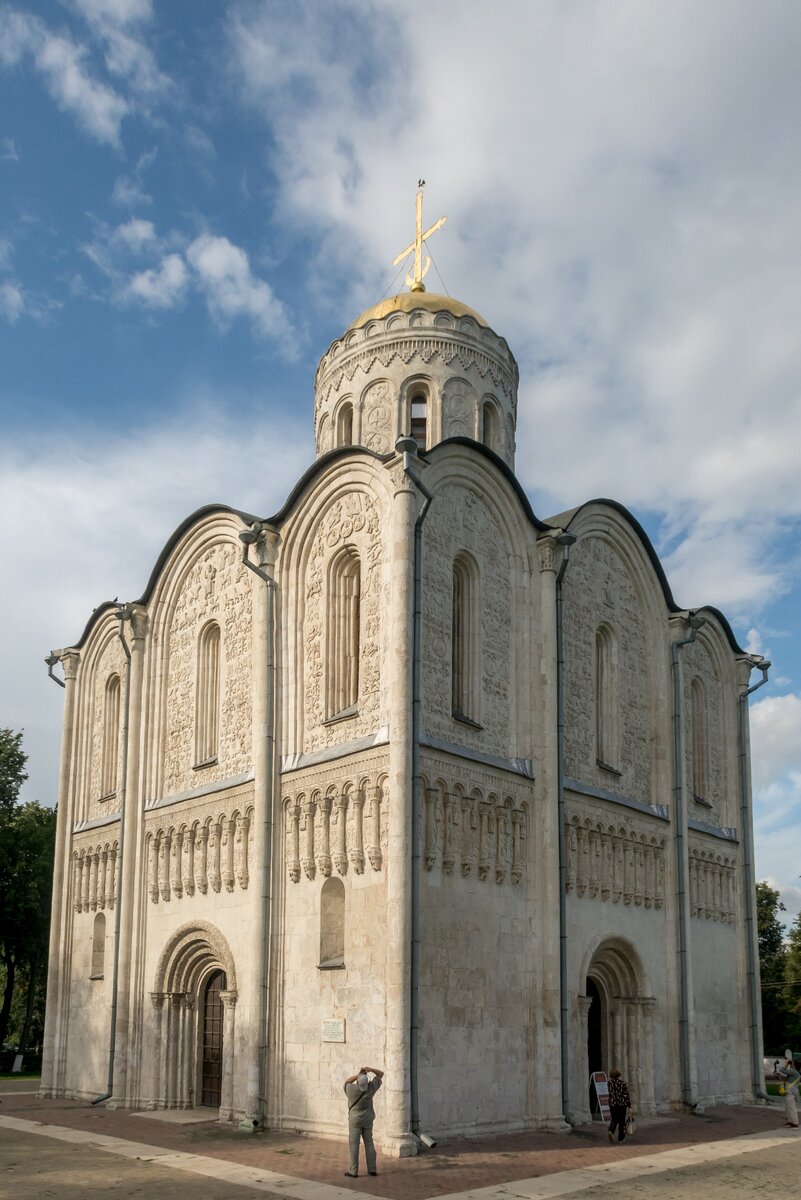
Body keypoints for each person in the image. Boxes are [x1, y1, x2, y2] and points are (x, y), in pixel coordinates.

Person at [343, 1065, 384, 1177]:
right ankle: (372, 1169)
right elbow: (381, 1074)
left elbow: (346, 1081)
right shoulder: (371, 1089)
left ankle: (353, 1171)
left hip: (354, 1120)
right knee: (369, 1143)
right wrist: (370, 1069)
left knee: (354, 1145)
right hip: (367, 1119)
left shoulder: (351, 1089)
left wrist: (359, 1075)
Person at [607, 1068, 631, 1143]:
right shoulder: (622, 1083)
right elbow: (625, 1095)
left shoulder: (609, 1083)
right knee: (621, 1121)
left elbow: (610, 1094)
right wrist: (629, 1105)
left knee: (614, 1119)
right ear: (618, 1075)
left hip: (613, 1104)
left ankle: (611, 1130)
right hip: (621, 1105)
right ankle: (621, 1138)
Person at [776, 1057, 800, 1129]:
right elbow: (786, 1076)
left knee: (792, 1108)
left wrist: (786, 1063)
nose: (791, 1063)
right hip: (790, 1092)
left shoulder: (794, 1072)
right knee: (788, 1108)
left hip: (791, 1093)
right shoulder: (795, 1072)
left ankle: (795, 1123)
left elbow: (782, 1070)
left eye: (792, 1063)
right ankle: (790, 1121)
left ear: (794, 1064)